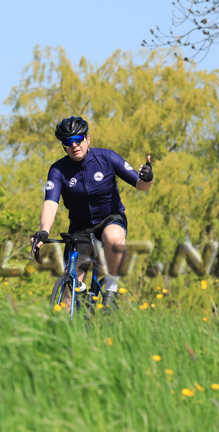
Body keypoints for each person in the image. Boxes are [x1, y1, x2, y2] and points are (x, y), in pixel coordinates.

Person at [31, 116, 154, 307]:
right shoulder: (58, 170)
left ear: (87, 139)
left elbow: (141, 186)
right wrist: (44, 230)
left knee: (113, 237)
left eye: (78, 139)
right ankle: (74, 316)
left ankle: (111, 290)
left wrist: (147, 178)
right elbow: (51, 202)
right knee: (70, 289)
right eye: (68, 142)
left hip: (110, 218)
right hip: (80, 227)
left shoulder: (106, 158)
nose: (74, 145)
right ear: (64, 146)